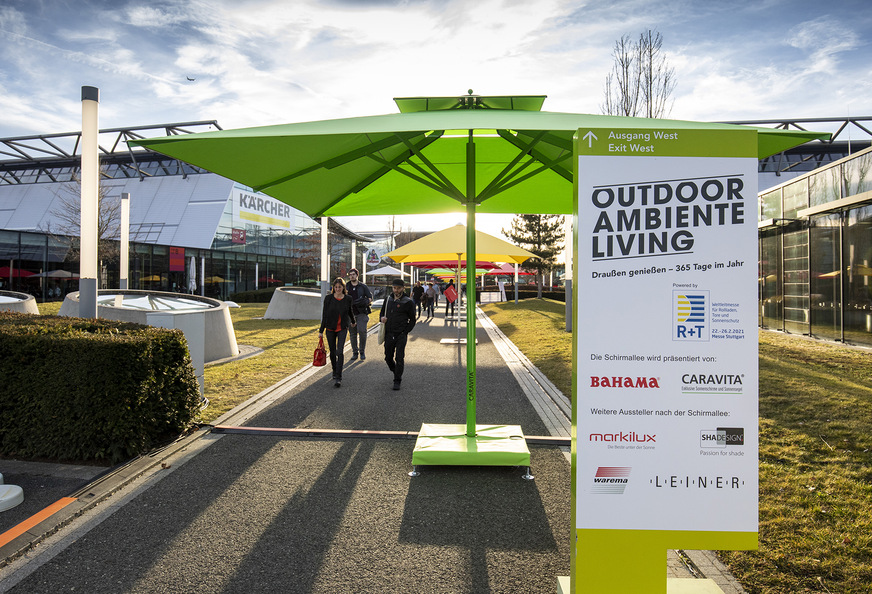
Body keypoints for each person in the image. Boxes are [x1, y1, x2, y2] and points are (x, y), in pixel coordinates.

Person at [380, 278, 416, 390]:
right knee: (388, 357)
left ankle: (397, 380)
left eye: (398, 288)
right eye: (394, 288)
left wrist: (405, 332)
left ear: (403, 288)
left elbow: (413, 320)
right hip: (389, 334)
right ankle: (396, 371)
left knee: (400, 358)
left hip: (401, 335)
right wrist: (382, 319)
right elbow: (381, 314)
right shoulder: (388, 299)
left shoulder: (408, 301)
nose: (396, 290)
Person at [319, 277, 356, 387]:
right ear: (333, 288)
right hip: (330, 328)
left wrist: (353, 321)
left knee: (340, 351)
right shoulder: (328, 299)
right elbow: (324, 315)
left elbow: (350, 311)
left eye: (339, 287)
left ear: (343, 287)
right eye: (335, 287)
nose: (337, 289)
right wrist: (321, 330)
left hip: (342, 328)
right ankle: (334, 370)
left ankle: (339, 377)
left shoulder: (348, 298)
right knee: (333, 352)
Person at [346, 268, 373, 361]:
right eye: (350, 274)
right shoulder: (346, 286)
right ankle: (355, 352)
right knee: (352, 334)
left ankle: (362, 351)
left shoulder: (363, 286)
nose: (352, 276)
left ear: (357, 275)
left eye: (353, 274)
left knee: (362, 331)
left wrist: (366, 301)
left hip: (361, 313)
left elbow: (370, 297)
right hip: (350, 314)